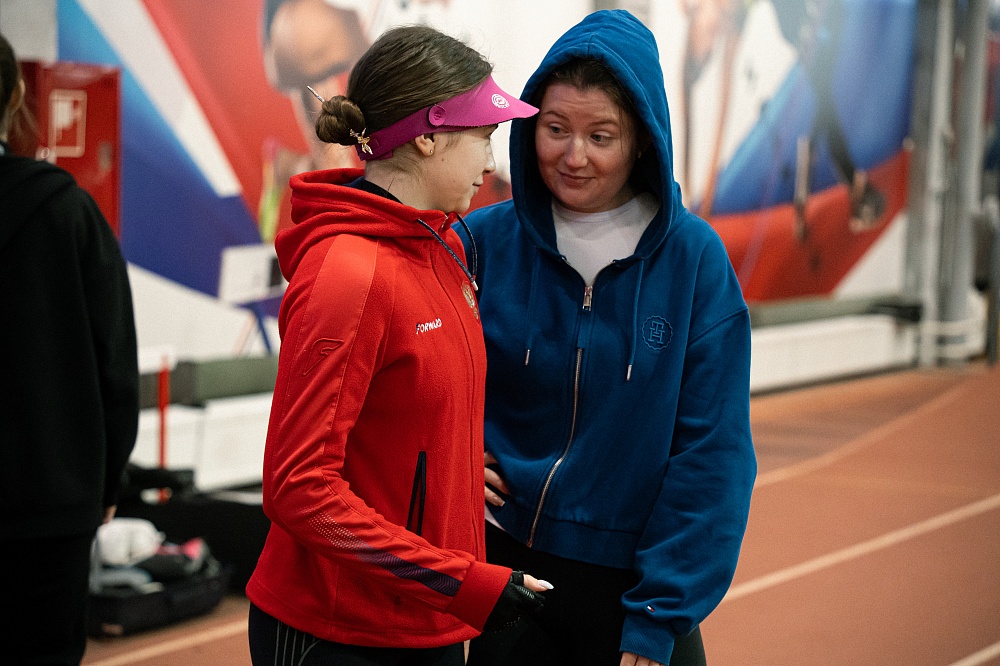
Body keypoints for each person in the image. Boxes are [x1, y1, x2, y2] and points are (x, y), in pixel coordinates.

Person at [245, 25, 549, 665]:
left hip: (424, 619)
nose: (490, 164)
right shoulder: (347, 274)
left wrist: (449, 463)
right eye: (484, 137)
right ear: (429, 136)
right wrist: (457, 581)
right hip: (340, 633)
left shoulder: (442, 247)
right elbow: (298, 486)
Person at [461, 10, 757, 666]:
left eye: (601, 136)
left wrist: (660, 611)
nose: (573, 156)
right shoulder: (481, 243)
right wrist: (450, 450)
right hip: (494, 564)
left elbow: (713, 452)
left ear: (643, 140)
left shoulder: (694, 262)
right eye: (554, 129)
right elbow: (409, 374)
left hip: (630, 588)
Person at [0, 33, 140, 665]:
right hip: (52, 507)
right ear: (16, 96)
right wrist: (106, 480)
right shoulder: (68, 212)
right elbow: (115, 359)